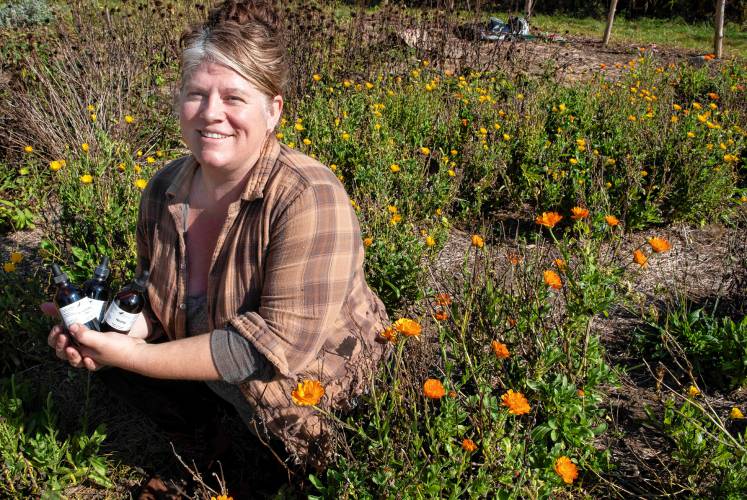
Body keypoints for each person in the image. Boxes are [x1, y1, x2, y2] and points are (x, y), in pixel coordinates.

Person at [42, 0, 389, 469]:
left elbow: (272, 350)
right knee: (104, 345)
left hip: (308, 389)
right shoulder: (164, 189)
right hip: (217, 363)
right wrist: (99, 330)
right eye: (196, 94)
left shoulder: (307, 196)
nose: (211, 114)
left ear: (273, 111)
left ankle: (265, 470)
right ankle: (208, 451)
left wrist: (131, 355)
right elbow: (156, 303)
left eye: (234, 98)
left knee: (305, 461)